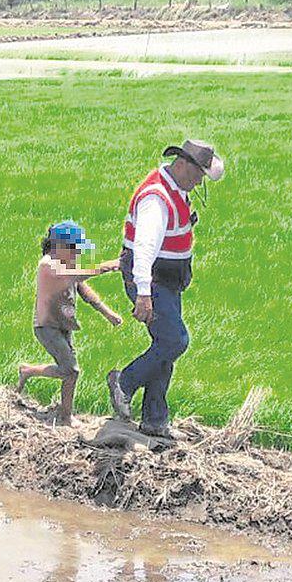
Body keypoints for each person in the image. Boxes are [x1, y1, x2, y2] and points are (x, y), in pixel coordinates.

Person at [106, 139, 224, 439]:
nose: (200, 181)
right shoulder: (157, 198)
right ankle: (124, 382)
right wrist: (143, 294)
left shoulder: (177, 190)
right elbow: (144, 249)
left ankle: (155, 420)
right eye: (198, 174)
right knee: (175, 341)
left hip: (167, 281)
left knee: (165, 347)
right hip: (151, 280)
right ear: (182, 164)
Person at [17, 221, 123, 426]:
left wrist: (107, 313)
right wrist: (107, 266)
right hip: (47, 326)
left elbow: (85, 291)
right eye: (75, 249)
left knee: (70, 374)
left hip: (64, 325)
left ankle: (65, 416)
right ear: (60, 246)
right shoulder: (47, 264)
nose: (78, 254)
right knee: (70, 370)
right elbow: (74, 276)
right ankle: (29, 371)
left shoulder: (68, 265)